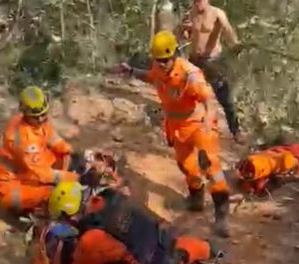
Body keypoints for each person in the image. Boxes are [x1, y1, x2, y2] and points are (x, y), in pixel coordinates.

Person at [110, 30, 231, 237]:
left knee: (210, 167)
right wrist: (130, 70)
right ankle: (196, 199)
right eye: (159, 60)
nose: (162, 64)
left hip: (200, 125)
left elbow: (209, 101)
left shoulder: (190, 74)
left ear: (174, 54)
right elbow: (150, 77)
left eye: (166, 60)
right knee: (186, 165)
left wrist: (208, 126)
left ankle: (222, 216)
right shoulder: (158, 67)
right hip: (177, 127)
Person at [29, 181, 225, 264]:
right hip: (168, 243)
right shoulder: (111, 196)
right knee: (192, 247)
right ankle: (210, 250)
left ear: (69, 216)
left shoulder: (91, 239)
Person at [0, 86, 78, 215]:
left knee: (62, 156)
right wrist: (73, 178)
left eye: (43, 115)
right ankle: (34, 213)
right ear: (25, 114)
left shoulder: (35, 121)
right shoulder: (23, 140)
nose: (41, 119)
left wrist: (67, 150)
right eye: (36, 117)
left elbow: (51, 136)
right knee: (53, 192)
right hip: (7, 185)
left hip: (24, 168)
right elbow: (42, 174)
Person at [178, 0, 244, 143]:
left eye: (200, 1)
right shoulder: (190, 14)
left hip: (213, 61)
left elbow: (228, 30)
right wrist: (183, 29)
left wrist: (235, 44)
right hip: (194, 61)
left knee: (225, 98)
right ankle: (186, 127)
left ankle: (236, 130)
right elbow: (184, 35)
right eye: (195, 1)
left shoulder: (217, 14)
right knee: (189, 94)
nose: (198, 4)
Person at [235, 144, 299, 195]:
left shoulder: (288, 151)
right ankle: (248, 182)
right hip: (263, 165)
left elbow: (270, 151)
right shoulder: (295, 158)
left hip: (261, 162)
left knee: (258, 180)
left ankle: (247, 182)